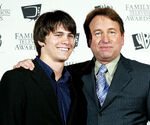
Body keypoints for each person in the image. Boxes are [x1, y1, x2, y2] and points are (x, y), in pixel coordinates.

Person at [13, 7, 150, 124]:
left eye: (112, 32)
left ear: (123, 38)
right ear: (88, 40)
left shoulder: (145, 75)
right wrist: (30, 66)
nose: (105, 39)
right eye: (97, 33)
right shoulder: (71, 74)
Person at [0, 10, 86, 125]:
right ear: (41, 40)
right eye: (58, 35)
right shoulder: (17, 79)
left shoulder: (78, 81)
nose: (67, 41)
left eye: (70, 36)